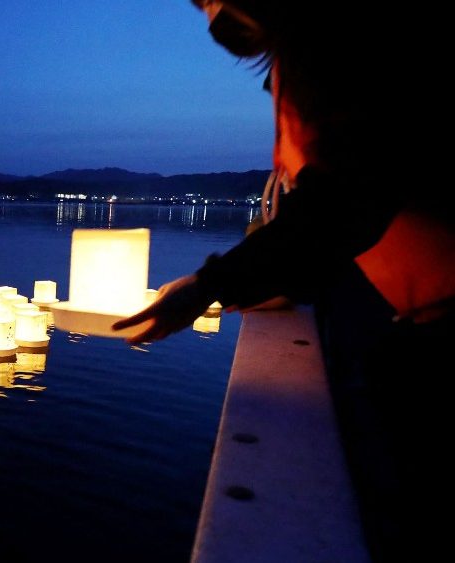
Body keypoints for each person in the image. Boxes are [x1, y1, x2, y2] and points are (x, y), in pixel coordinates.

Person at [112, 2, 454, 560]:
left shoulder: (338, 55)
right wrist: (284, 277)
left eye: (213, 0)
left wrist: (206, 286)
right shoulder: (311, 59)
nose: (212, 18)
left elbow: (346, 200)